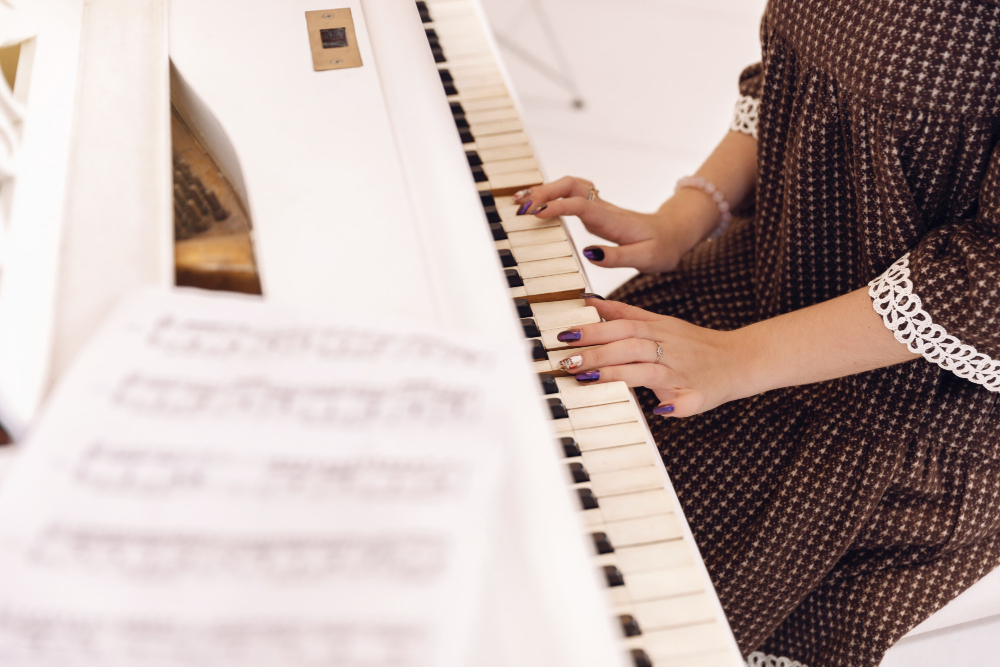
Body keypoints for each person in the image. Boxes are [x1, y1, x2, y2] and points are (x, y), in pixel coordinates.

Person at [511, 1, 1000, 665]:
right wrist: (683, 218)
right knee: (514, 472)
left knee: (585, 613)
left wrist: (730, 358)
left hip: (906, 410)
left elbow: (989, 281)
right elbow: (792, 76)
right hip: (760, 278)